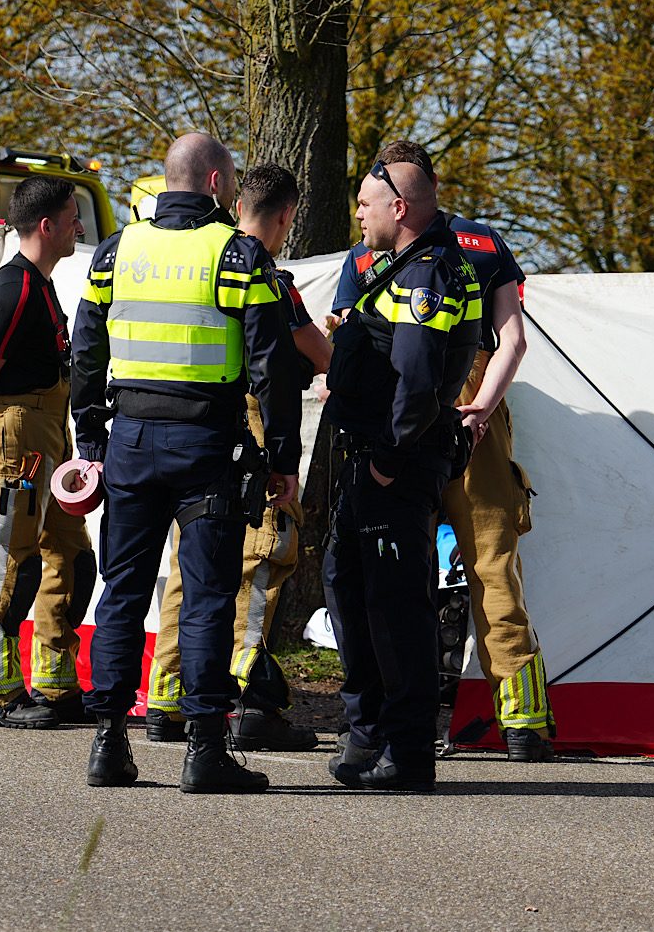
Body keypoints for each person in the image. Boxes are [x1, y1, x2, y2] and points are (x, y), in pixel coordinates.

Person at [70, 133, 302, 793]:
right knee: (203, 599)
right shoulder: (237, 253)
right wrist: (283, 455)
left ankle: (108, 743)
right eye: (227, 184)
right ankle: (204, 751)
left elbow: (86, 349)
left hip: (131, 443)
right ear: (213, 183)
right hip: (206, 446)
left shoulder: (118, 252)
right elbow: (273, 364)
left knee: (122, 592)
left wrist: (90, 436)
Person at [331, 145, 552, 761]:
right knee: (492, 564)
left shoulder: (369, 251)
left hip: (400, 412)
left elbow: (349, 336)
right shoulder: (482, 243)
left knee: (393, 571)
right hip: (473, 406)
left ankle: (395, 724)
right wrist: (481, 406)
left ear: (395, 194)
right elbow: (514, 339)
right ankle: (522, 722)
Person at [145, 163, 329, 751]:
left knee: (188, 566)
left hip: (194, 422)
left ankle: (167, 697)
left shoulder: (198, 258)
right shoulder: (264, 272)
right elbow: (316, 354)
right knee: (264, 551)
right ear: (284, 217)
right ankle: (248, 699)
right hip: (252, 420)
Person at [321, 144, 482, 792]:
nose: (358, 214)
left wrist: (388, 457)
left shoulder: (427, 275)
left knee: (396, 606)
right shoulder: (397, 268)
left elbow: (417, 378)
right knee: (347, 585)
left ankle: (408, 748)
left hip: (398, 461)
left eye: (365, 204)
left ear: (399, 206)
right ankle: (369, 729)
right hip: (375, 460)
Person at [0, 176, 96, 729]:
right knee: (10, 561)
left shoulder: (42, 283)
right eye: (74, 217)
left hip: (50, 429)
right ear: (47, 226)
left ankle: (55, 684)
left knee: (74, 560)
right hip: (21, 437)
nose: (81, 227)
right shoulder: (16, 288)